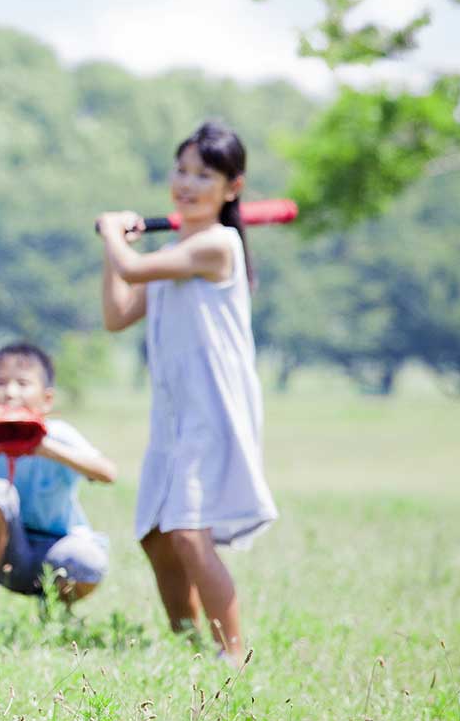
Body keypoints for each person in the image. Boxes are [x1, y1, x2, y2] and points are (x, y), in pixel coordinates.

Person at [97, 119, 278, 661]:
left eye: (205, 175)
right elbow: (117, 312)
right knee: (157, 533)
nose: (188, 183)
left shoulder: (217, 247)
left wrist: (113, 236)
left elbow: (132, 272)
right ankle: (190, 647)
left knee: (189, 533)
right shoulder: (176, 252)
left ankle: (234, 657)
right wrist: (115, 250)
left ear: (233, 188)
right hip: (174, 415)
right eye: (181, 170)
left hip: (214, 410)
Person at [0, 342, 116, 616]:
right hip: (5, 557)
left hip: (58, 551)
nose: (10, 392)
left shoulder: (58, 435)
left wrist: (45, 448)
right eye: (0, 382)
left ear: (46, 399)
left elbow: (107, 473)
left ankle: (53, 611)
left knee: (86, 561)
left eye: (23, 383)